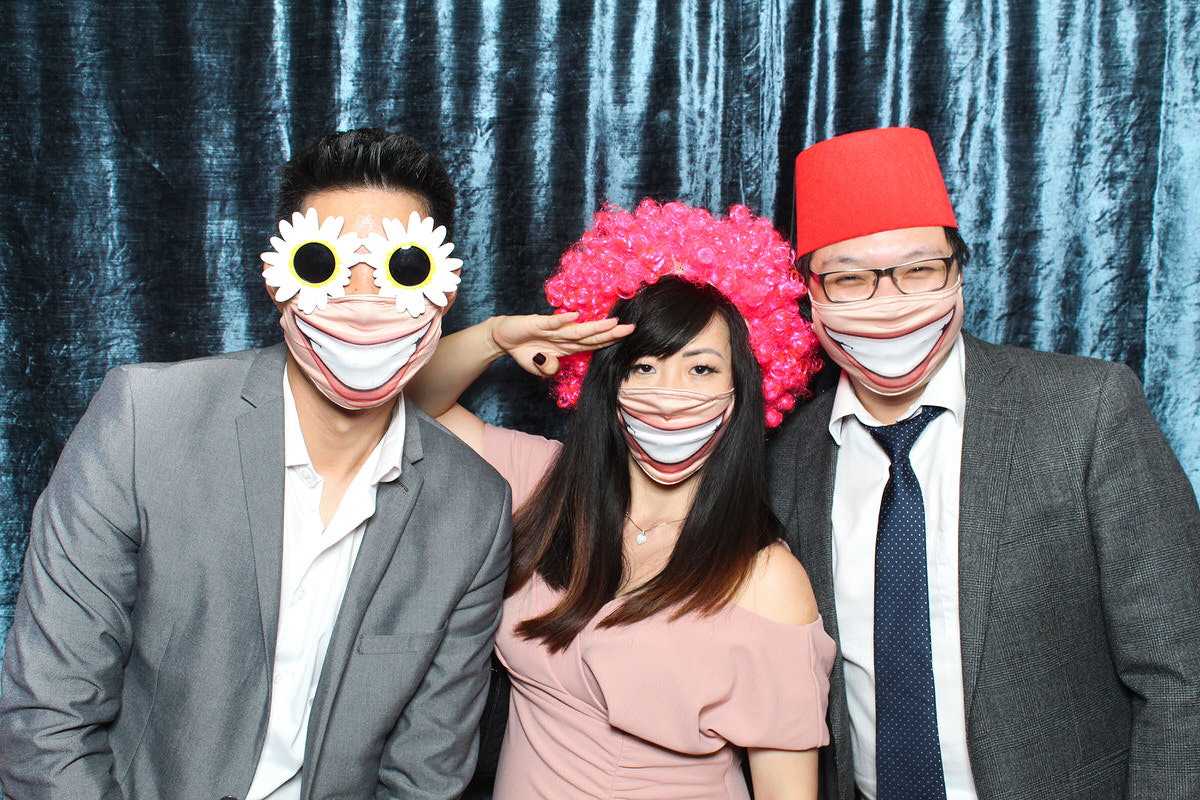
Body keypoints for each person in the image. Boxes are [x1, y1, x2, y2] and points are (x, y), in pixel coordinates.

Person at [0, 128, 513, 799]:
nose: (363, 299)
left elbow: (425, 773)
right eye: (325, 265)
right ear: (280, 280)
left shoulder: (473, 508)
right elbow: (48, 720)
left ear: (443, 293)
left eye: (402, 268)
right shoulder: (144, 423)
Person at [767, 127, 1200, 800]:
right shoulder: (786, 456)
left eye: (918, 269)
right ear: (810, 294)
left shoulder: (1085, 409)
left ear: (959, 270)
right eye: (849, 278)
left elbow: (1181, 671)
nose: (889, 303)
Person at [407, 199, 834, 799]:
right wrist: (496, 336)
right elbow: (407, 407)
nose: (668, 395)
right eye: (644, 367)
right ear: (608, 383)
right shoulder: (541, 483)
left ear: (745, 389)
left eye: (702, 370)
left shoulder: (766, 579)